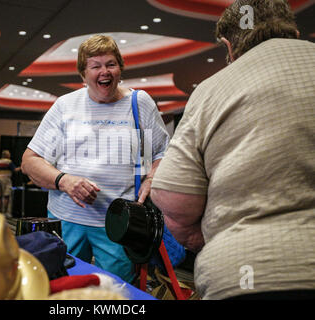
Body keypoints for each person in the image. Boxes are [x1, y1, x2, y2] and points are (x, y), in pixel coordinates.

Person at [150, 0, 315, 300]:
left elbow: (172, 198)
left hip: (250, 274)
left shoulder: (212, 90)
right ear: (295, 32)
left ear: (229, 46)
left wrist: (206, 238)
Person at [21, 35, 170, 283]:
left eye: (111, 64)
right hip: (67, 220)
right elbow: (30, 160)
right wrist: (65, 181)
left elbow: (160, 153)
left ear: (120, 69)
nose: (105, 72)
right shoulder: (65, 106)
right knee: (64, 288)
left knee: (116, 292)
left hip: (120, 224)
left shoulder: (139, 103)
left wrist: (151, 178)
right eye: (96, 66)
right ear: (83, 74)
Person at [0, 150, 20, 216]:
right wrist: (21, 167)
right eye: (9, 154)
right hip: (6, 179)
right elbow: (15, 170)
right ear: (6, 155)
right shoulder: (9, 162)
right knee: (6, 196)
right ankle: (5, 212)